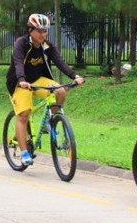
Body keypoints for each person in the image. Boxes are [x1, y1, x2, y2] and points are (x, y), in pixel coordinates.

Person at [5, 14, 85, 166]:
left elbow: (60, 62)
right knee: (24, 115)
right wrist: (22, 80)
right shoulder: (21, 43)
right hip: (19, 83)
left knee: (60, 91)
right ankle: (24, 153)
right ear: (30, 30)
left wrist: (75, 76)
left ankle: (51, 120)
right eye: (39, 31)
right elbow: (17, 62)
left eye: (45, 31)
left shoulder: (47, 46)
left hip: (37, 80)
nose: (43, 34)